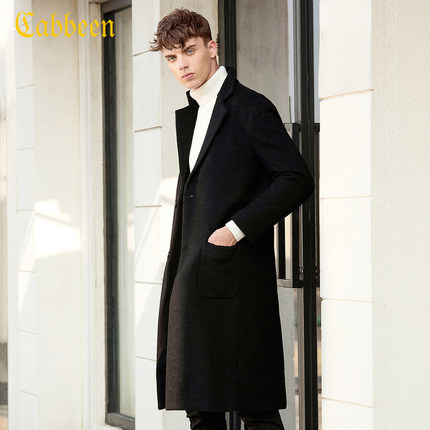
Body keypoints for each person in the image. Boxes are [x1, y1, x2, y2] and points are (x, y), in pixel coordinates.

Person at [149, 8, 314, 430]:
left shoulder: (249, 108)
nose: (181, 65)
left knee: (255, 406)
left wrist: (234, 230)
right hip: (192, 274)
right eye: (171, 58)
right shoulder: (192, 113)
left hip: (235, 275)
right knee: (200, 407)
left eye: (189, 51)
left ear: (212, 47)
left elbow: (295, 178)